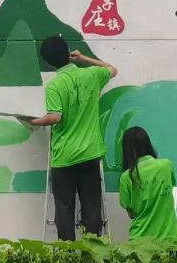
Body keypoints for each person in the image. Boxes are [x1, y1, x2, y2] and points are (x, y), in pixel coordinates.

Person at [30, 36, 118, 241]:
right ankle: (93, 250)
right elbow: (113, 70)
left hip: (65, 156)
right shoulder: (92, 74)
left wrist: (33, 122)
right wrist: (84, 58)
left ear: (49, 62)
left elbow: (55, 117)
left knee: (64, 207)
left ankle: (67, 252)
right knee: (92, 205)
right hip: (90, 153)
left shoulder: (55, 85)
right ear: (68, 52)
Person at [118, 126, 177, 243]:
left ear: (126, 150)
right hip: (170, 239)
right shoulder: (166, 165)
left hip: (141, 243)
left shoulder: (126, 177)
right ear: (147, 143)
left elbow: (131, 214)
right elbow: (171, 187)